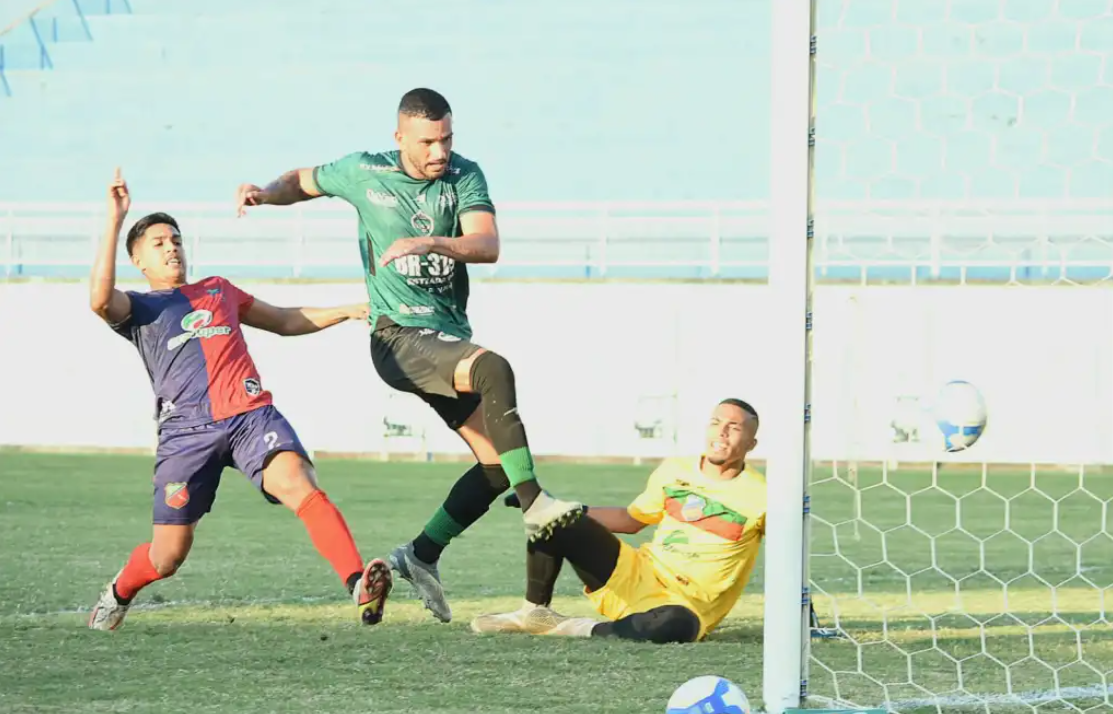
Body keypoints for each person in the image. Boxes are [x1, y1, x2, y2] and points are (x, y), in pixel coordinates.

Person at [234, 87, 582, 624]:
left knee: (494, 466)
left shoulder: (465, 175)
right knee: (494, 369)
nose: (439, 151)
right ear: (400, 139)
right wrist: (264, 193)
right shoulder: (364, 171)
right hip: (396, 337)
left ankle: (421, 554)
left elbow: (486, 245)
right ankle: (537, 508)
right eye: (427, 142)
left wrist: (429, 244)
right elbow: (302, 181)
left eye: (446, 138)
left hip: (444, 337)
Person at [87, 169, 391, 631]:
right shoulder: (140, 309)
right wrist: (114, 219)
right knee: (167, 557)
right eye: (158, 243)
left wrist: (348, 309)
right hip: (185, 435)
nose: (171, 247)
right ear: (138, 261)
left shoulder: (218, 290)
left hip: (250, 416)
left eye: (176, 240)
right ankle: (119, 592)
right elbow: (98, 300)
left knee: (299, 484)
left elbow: (286, 320)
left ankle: (358, 583)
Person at [471, 399, 767, 644]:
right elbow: (631, 519)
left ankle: (576, 628)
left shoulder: (763, 496)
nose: (722, 433)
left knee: (676, 626)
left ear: (751, 443)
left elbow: (788, 561)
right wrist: (560, 508)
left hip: (684, 606)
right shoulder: (675, 470)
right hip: (635, 575)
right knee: (552, 517)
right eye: (716, 423)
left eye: (734, 427)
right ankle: (534, 613)